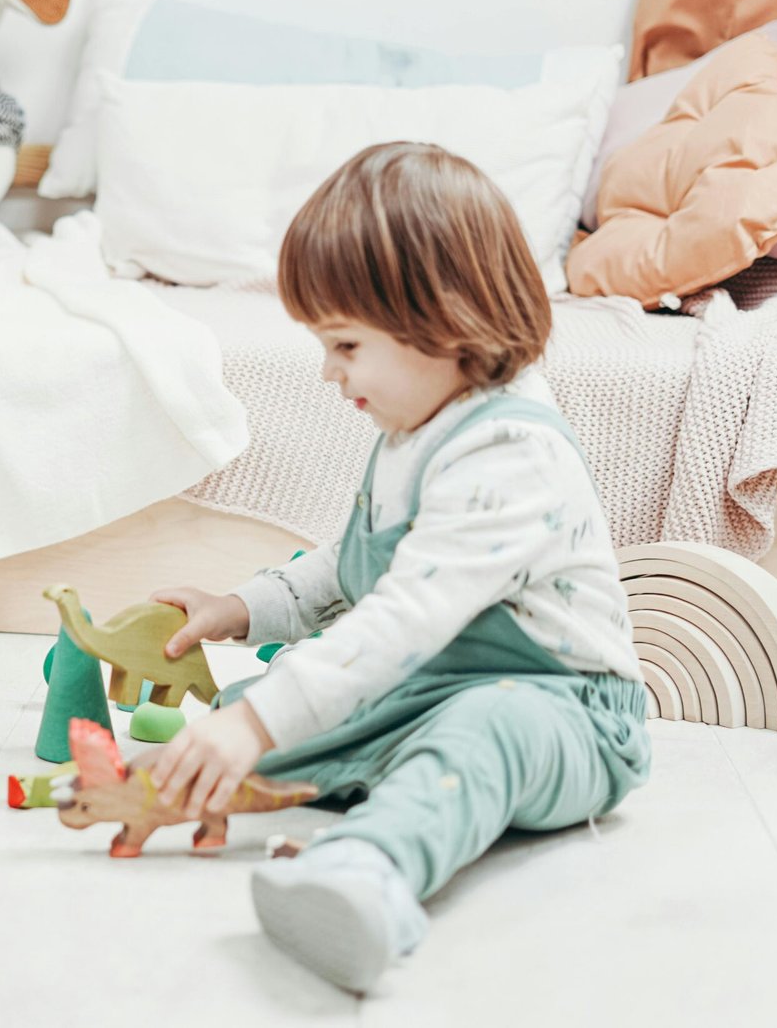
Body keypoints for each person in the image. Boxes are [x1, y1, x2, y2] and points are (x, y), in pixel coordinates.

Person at [147, 142, 650, 993]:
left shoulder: (510, 453)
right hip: (445, 681)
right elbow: (351, 567)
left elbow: (405, 614)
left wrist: (261, 725)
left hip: (568, 712)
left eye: (345, 343)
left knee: (473, 733)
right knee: (289, 711)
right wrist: (242, 609)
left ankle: (370, 872)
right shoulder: (412, 432)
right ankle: (203, 771)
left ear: (446, 324)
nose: (327, 370)